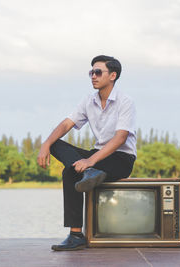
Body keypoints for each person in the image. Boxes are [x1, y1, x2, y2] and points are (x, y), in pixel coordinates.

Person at [37, 55, 137, 251]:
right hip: (98, 155)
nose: (93, 76)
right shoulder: (88, 101)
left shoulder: (125, 102)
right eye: (91, 72)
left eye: (98, 72)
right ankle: (76, 235)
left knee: (71, 171)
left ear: (113, 75)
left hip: (121, 158)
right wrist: (45, 144)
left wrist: (90, 161)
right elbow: (67, 123)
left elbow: (120, 138)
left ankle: (89, 171)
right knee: (57, 146)